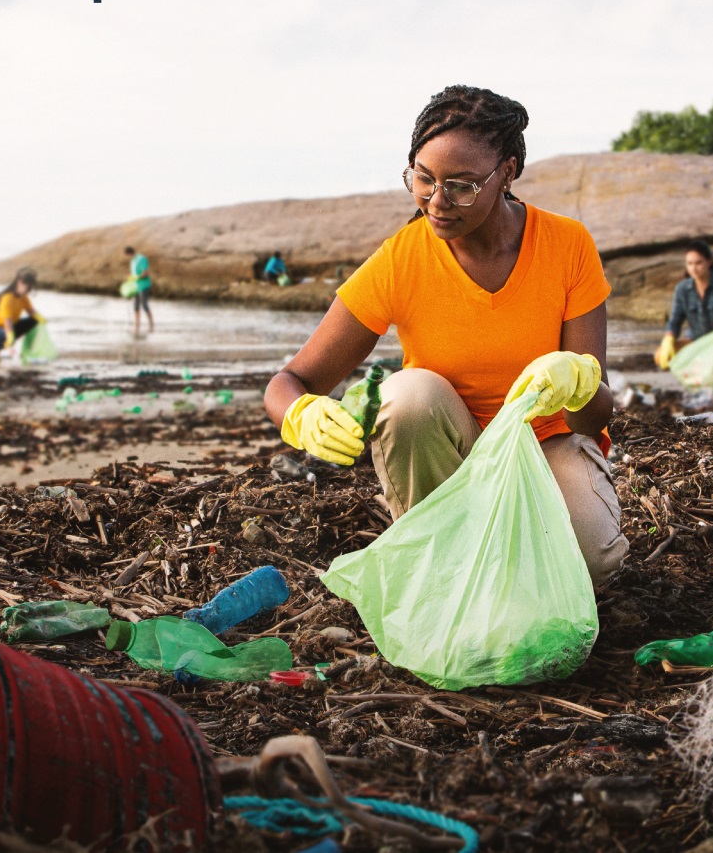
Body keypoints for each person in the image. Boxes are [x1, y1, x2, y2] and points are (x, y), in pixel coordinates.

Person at [263, 84, 628, 587]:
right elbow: (291, 379)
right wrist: (301, 415)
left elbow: (595, 417)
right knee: (406, 395)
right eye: (423, 178)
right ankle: (441, 556)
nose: (437, 202)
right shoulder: (402, 259)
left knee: (591, 565)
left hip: (547, 445)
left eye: (461, 185)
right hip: (448, 460)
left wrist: (580, 381)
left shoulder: (567, 245)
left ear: (507, 172)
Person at [655, 239, 713, 368]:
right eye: (690, 263)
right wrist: (669, 336)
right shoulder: (682, 289)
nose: (694, 268)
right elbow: (675, 321)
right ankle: (697, 370)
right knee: (660, 356)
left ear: (709, 262)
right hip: (695, 341)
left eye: (698, 263)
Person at [0, 267, 42, 364]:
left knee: (33, 321)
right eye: (26, 287)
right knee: (8, 336)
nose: (28, 291)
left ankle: (27, 351)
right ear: (19, 283)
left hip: (6, 328)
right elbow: (7, 321)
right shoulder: (7, 298)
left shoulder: (23, 298)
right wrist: (11, 336)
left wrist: (40, 319)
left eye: (30, 288)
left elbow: (31, 312)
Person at [123, 245, 154, 336]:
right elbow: (133, 274)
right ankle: (137, 325)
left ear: (129, 253)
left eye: (127, 255)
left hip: (144, 285)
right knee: (136, 306)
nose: (127, 257)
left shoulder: (142, 259)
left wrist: (137, 277)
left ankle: (151, 323)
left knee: (144, 305)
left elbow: (146, 272)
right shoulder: (132, 261)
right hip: (136, 286)